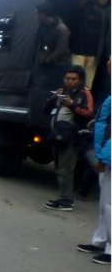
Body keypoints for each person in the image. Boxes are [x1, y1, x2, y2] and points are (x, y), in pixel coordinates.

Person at [43, 65, 94, 211]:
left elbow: (88, 113)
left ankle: (66, 201)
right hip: (57, 135)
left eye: (73, 79)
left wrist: (72, 105)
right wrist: (53, 98)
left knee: (66, 169)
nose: (70, 81)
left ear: (80, 80)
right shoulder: (63, 92)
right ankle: (62, 198)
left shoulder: (84, 94)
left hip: (71, 138)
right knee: (59, 168)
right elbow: (45, 110)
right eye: (67, 78)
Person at [77, 60, 111, 265]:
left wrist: (102, 157)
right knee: (103, 204)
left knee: (110, 204)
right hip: (105, 155)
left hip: (108, 157)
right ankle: (100, 241)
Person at [74, 0, 110, 89]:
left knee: (87, 86)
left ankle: (84, 106)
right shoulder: (86, 7)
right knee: (74, 81)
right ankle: (70, 105)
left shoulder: (107, 11)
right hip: (79, 50)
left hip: (94, 53)